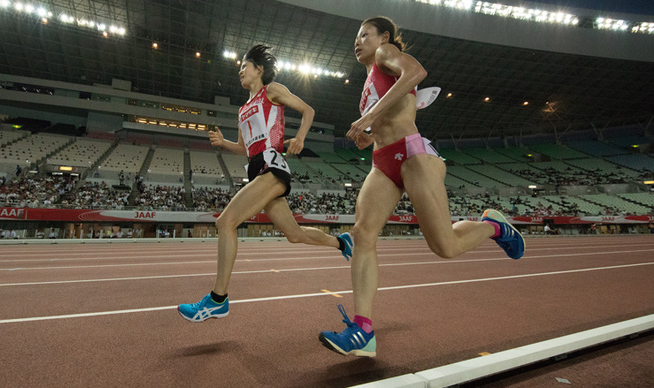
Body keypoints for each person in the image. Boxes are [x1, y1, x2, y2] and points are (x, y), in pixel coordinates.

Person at [318, 17, 526, 357]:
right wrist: (366, 135)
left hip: (413, 155)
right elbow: (385, 119)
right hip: (382, 161)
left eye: (364, 34)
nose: (357, 41)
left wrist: (368, 116)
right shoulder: (369, 77)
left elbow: (416, 74)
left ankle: (493, 226)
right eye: (355, 37)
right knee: (362, 234)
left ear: (383, 37)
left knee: (445, 246)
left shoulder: (387, 53)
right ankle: (363, 330)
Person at [177, 44, 354, 322]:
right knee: (294, 234)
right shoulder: (243, 109)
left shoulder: (271, 91)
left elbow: (308, 110)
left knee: (225, 222)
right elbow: (245, 148)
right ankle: (341, 243)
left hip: (273, 166)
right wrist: (224, 144)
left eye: (244, 66)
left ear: (259, 69)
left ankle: (217, 299)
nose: (240, 71)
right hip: (257, 167)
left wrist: (300, 138)